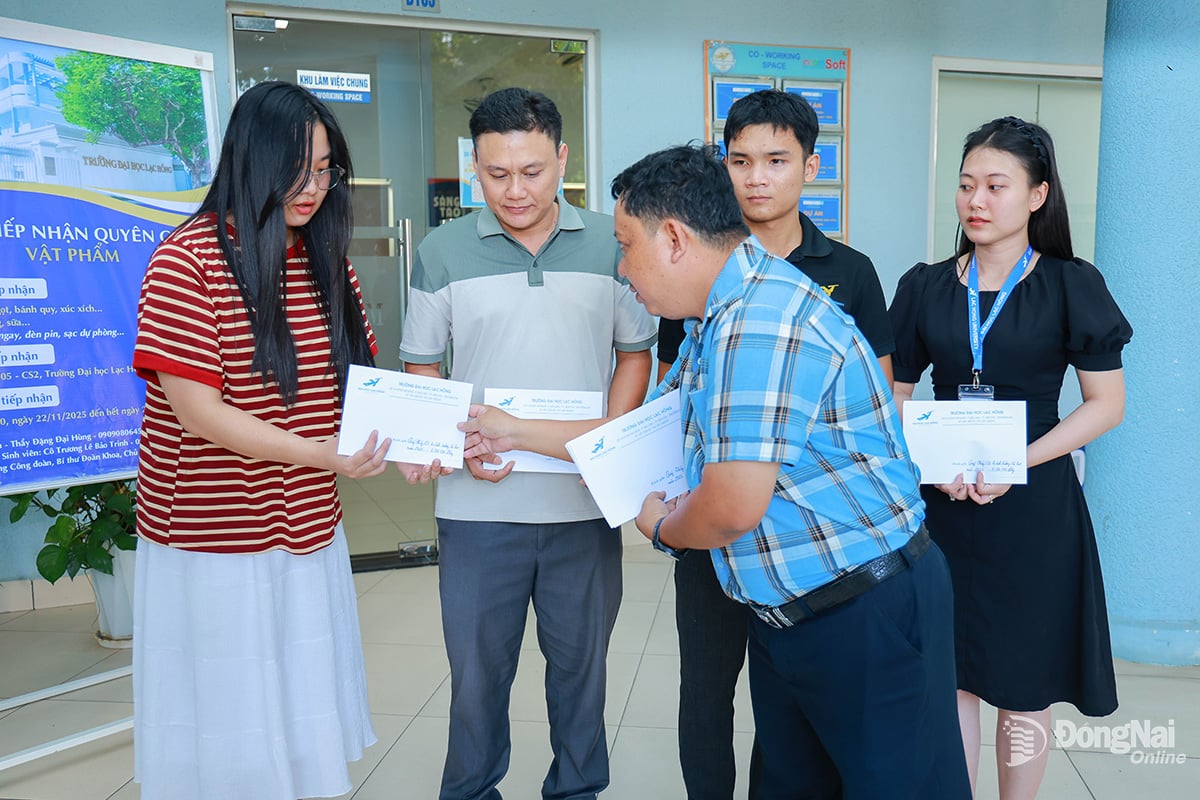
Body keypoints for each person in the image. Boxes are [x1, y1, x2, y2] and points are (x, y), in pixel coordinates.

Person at [462, 144, 971, 799]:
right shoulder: (719, 315)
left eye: (626, 246)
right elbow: (645, 438)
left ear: (673, 239)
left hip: (864, 612)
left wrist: (664, 529)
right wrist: (513, 430)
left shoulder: (759, 323)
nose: (623, 270)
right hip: (789, 615)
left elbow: (732, 505)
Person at [131, 80, 389, 799]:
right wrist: (320, 455)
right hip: (215, 537)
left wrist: (406, 441)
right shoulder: (187, 261)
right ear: (250, 159)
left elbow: (358, 388)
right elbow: (199, 413)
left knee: (298, 702)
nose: (312, 187)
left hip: (306, 524)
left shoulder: (322, 259)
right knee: (230, 713)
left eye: (325, 167)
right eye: (296, 168)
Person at [398, 87, 656, 800]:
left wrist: (601, 445)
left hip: (581, 503)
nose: (515, 190)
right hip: (479, 507)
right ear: (474, 166)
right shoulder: (441, 251)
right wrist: (455, 445)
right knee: (477, 680)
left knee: (582, 676)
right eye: (496, 173)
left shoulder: (614, 241)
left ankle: (576, 791)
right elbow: (422, 367)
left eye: (533, 172)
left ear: (562, 158)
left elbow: (636, 352)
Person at [655, 88, 896, 800]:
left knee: (789, 700)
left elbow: (878, 404)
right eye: (739, 160)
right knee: (705, 693)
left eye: (776, 160)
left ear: (810, 166)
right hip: (713, 522)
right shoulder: (694, 267)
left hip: (805, 542)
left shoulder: (849, 273)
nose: (756, 177)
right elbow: (679, 401)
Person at [889, 116, 1131, 799]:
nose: (976, 200)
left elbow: (1105, 405)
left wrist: (1016, 461)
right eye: (967, 185)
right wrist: (927, 463)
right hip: (938, 503)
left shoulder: (1069, 284)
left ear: (1036, 195)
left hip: (1032, 509)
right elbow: (894, 396)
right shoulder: (925, 286)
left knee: (1024, 684)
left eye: (997, 185)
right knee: (952, 677)